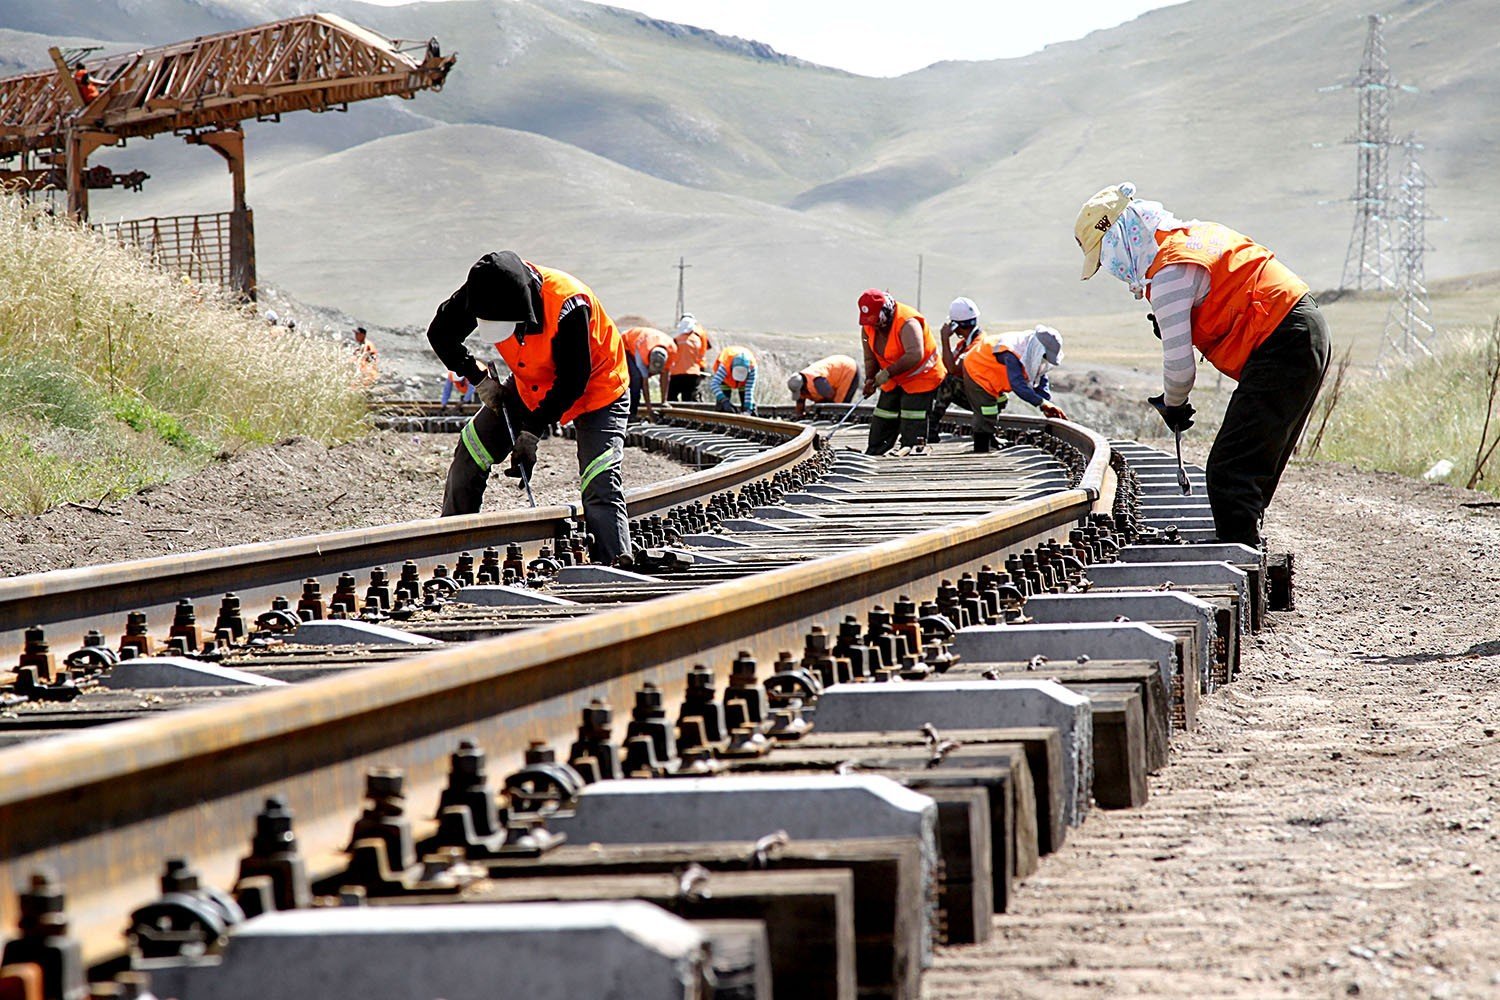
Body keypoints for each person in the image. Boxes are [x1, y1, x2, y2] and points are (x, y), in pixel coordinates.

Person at [1075, 181, 1331, 547]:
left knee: (1229, 471)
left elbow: (1180, 371)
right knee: (1251, 466)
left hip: (1283, 340)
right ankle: (1246, 546)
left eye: (1105, 257)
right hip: (1303, 326)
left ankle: (1240, 559)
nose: (1112, 269)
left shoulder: (1167, 274)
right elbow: (1226, 296)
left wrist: (1172, 406)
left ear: (1121, 239)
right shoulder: (1193, 236)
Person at [426, 251, 632, 563]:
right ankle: (452, 552)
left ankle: (615, 563)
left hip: (598, 389)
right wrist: (477, 376)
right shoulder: (482, 290)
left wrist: (531, 432)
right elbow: (440, 333)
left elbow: (573, 381)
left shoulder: (567, 303)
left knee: (599, 478)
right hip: (530, 384)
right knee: (471, 450)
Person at [857, 288, 946, 455]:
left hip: (921, 376)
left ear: (886, 311)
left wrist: (886, 373)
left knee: (912, 416)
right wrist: (870, 379)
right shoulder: (868, 327)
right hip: (893, 378)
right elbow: (870, 357)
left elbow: (914, 354)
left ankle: (911, 450)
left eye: (876, 320)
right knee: (884, 413)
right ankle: (876, 449)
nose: (874, 324)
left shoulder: (907, 321)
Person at [959, 325, 1068, 451]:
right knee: (987, 410)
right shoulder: (1011, 352)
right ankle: (981, 448)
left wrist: (1046, 402)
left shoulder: (1030, 349)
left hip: (993, 376)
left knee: (999, 403)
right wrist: (1042, 403)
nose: (1044, 361)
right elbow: (1018, 386)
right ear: (1039, 351)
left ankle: (991, 440)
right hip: (977, 370)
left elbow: (1040, 376)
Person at [931, 296, 987, 439]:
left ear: (956, 325)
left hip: (986, 397)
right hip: (977, 393)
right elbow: (945, 367)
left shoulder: (977, 344)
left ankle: (930, 429)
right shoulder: (964, 344)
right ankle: (925, 425)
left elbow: (952, 370)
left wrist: (944, 339)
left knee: (949, 382)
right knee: (936, 379)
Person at [622, 325, 676, 420]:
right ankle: (631, 414)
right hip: (626, 344)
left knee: (638, 378)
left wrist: (664, 402)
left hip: (648, 339)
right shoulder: (641, 354)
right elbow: (645, 384)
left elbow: (665, 376)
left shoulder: (672, 351)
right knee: (636, 379)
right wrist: (649, 410)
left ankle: (633, 411)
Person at [788, 354, 860, 418]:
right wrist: (799, 414)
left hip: (847, 370)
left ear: (803, 387)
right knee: (830, 409)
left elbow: (830, 398)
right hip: (836, 371)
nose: (801, 395)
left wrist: (815, 408)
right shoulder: (800, 383)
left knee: (838, 407)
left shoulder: (818, 382)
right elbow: (800, 402)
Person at [668, 314, 713, 402]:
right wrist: (702, 368)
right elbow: (702, 353)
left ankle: (672, 415)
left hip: (676, 374)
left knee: (671, 398)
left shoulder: (676, 340)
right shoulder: (699, 337)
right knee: (689, 399)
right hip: (693, 373)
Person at [708, 345, 758, 414]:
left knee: (750, 408)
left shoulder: (752, 368)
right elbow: (714, 384)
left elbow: (749, 390)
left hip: (744, 383)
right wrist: (724, 400)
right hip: (726, 379)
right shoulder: (724, 366)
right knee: (722, 408)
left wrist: (748, 408)